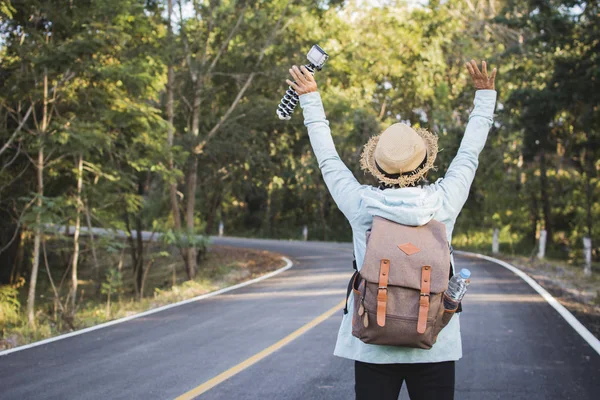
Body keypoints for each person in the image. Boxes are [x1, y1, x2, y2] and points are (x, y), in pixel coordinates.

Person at [286, 60, 497, 400]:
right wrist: (485, 96)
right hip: (436, 344)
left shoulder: (361, 205)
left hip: (373, 344)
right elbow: (469, 154)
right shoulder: (443, 202)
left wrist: (310, 97)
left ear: (378, 167)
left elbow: (328, 159)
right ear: (424, 161)